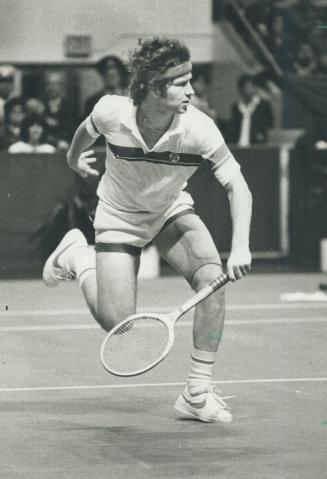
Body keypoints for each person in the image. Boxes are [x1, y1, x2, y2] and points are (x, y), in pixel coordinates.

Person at [43, 37, 252, 423]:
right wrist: (74, 159)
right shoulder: (111, 112)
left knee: (213, 281)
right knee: (118, 324)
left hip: (168, 210)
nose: (192, 90)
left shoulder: (199, 128)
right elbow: (84, 132)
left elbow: (238, 185)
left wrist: (240, 246)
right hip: (119, 215)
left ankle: (196, 392)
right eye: (181, 82)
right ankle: (76, 255)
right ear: (155, 86)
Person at [230, 74, 274, 146]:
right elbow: (234, 128)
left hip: (257, 145)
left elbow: (269, 125)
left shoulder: (263, 105)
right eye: (246, 86)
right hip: (238, 145)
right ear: (241, 89)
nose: (249, 89)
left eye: (251, 86)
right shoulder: (236, 107)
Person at [42, 71, 75, 151]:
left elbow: (72, 127)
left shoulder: (70, 105)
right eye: (49, 84)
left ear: (62, 86)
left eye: (55, 84)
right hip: (45, 146)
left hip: (66, 146)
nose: (51, 88)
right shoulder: (41, 103)